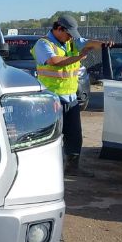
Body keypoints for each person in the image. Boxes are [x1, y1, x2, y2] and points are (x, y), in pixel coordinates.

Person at [32, 14, 111, 176]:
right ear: (59, 28)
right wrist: (79, 57)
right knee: (50, 135)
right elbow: (55, 61)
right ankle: (44, 170)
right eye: (68, 34)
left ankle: (72, 168)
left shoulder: (70, 42)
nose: (70, 38)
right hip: (50, 99)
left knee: (74, 135)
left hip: (71, 98)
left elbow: (88, 43)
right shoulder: (43, 44)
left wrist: (103, 44)